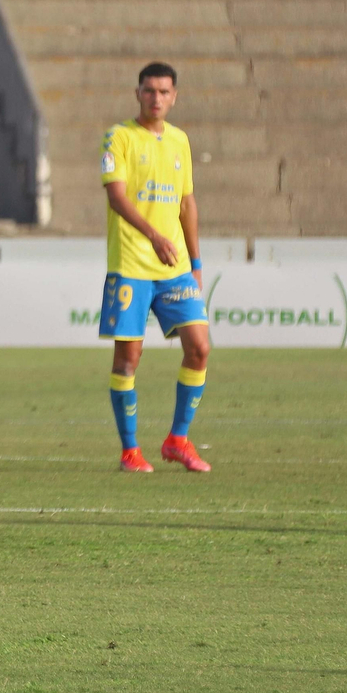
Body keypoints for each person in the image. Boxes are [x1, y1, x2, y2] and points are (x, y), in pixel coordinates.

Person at [98, 62, 211, 473]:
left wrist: (195, 261)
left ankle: (177, 440)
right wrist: (154, 236)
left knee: (199, 347)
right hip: (132, 264)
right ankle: (130, 451)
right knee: (129, 359)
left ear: (174, 96)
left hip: (175, 267)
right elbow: (117, 197)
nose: (156, 98)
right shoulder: (119, 137)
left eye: (164, 92)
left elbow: (186, 204)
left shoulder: (180, 141)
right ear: (138, 94)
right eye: (149, 91)